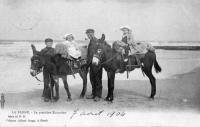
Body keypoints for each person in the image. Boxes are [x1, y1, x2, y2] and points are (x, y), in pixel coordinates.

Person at [85, 29, 103, 102]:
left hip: (96, 63)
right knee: (92, 79)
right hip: (91, 64)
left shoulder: (97, 41)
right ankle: (93, 94)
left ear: (93, 33)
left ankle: (98, 96)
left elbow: (99, 51)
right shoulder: (91, 41)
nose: (89, 35)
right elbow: (89, 53)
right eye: (88, 34)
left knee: (98, 80)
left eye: (90, 33)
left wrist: (95, 61)